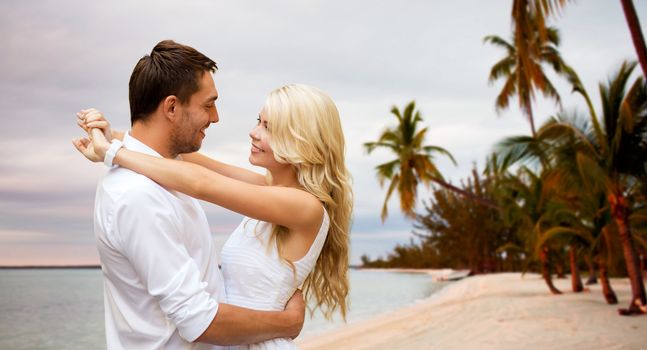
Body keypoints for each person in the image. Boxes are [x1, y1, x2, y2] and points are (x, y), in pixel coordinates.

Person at [75, 83, 353, 349]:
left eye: (269, 127)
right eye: (259, 121)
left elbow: (201, 183)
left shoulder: (304, 206)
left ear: (301, 139)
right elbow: (188, 160)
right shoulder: (270, 190)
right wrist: (113, 135)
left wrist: (113, 153)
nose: (254, 133)